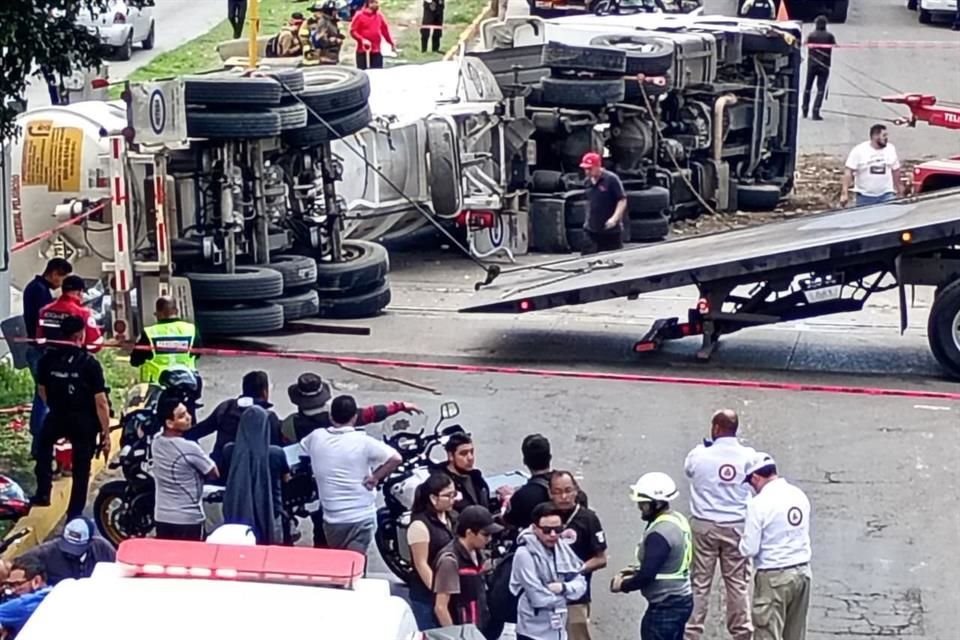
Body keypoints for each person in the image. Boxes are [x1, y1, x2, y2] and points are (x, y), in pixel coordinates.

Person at [683, 410, 756, 640]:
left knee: (700, 583)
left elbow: (689, 471)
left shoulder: (699, 455)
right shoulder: (749, 457)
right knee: (737, 584)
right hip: (736, 526)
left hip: (704, 525)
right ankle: (741, 633)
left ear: (715, 428)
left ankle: (692, 632)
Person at [301, 395, 403, 553]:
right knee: (356, 563)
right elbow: (396, 458)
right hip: (361, 516)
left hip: (332, 519)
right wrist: (375, 477)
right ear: (355, 417)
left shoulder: (315, 437)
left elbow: (302, 449)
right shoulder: (363, 442)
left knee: (340, 562)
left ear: (330, 416)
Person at [31, 316, 111, 518]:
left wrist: (56, 405)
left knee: (43, 448)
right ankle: (74, 512)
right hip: (84, 421)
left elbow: (42, 390)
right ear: (79, 335)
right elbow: (100, 401)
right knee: (82, 468)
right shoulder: (89, 363)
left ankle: (43, 493)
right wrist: (106, 433)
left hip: (58, 415)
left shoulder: (47, 360)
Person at [610, 472, 693, 640]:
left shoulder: (659, 533)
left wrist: (623, 585)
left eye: (644, 503)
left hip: (665, 604)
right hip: (680, 599)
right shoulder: (676, 519)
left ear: (656, 503)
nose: (640, 507)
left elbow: (647, 575)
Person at [739, 453, 812, 640]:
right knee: (795, 634)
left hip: (774, 577)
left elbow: (749, 549)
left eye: (751, 483)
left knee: (768, 633)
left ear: (755, 477)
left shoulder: (758, 504)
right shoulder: (798, 495)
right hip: (802, 573)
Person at [510, 502, 588, 640]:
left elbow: (581, 582)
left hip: (559, 631)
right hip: (533, 632)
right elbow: (537, 597)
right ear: (535, 528)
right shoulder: (524, 554)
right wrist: (567, 597)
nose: (553, 534)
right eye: (546, 530)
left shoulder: (563, 548)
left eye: (557, 529)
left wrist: (563, 587)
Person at [22, 258, 72, 458]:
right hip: (40, 350)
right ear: (54, 273)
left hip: (38, 349)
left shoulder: (35, 288)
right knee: (45, 397)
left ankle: (41, 444)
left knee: (42, 396)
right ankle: (42, 442)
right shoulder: (39, 291)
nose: (61, 284)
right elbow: (47, 322)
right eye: (61, 278)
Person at [550, 471, 607, 640]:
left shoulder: (588, 519)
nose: (564, 496)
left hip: (576, 598)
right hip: (547, 598)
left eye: (568, 490)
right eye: (558, 492)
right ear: (550, 493)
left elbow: (601, 558)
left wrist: (577, 570)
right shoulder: (545, 517)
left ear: (576, 491)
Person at [152, 398, 219, 541]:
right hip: (188, 519)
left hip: (162, 516)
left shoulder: (156, 442)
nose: (188, 417)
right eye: (181, 416)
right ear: (169, 423)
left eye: (187, 412)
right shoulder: (189, 448)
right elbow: (214, 472)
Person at [222, 405, 290, 545]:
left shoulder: (229, 451)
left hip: (236, 512)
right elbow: (286, 478)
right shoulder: (276, 453)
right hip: (270, 512)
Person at [188, 370, 284, 470]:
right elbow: (275, 451)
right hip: (252, 473)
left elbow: (199, 430)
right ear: (265, 392)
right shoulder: (268, 418)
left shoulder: (226, 408)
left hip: (221, 469)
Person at [433, 505, 503, 630]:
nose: (489, 539)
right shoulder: (450, 561)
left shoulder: (477, 553)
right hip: (464, 629)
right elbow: (441, 607)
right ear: (469, 533)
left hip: (480, 626)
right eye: (485, 534)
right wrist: (456, 636)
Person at [407, 472, 457, 629]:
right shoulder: (419, 526)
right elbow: (421, 564)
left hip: (449, 591)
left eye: (454, 494)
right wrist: (438, 590)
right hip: (426, 596)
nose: (452, 499)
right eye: (448, 496)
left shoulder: (451, 517)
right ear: (433, 498)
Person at [20, 517, 115, 585]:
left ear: (90, 542)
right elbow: (19, 565)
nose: (72, 554)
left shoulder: (102, 549)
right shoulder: (44, 553)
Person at [129, 296, 199, 384]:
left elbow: (135, 361)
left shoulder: (150, 332)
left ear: (158, 313)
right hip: (187, 383)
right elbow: (197, 353)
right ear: (176, 311)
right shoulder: (191, 329)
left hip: (158, 385)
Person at [840, 124, 903, 208]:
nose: (886, 138)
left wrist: (900, 190)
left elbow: (896, 170)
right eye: (884, 135)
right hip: (865, 196)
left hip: (886, 194)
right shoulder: (859, 151)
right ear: (875, 136)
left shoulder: (890, 149)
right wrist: (844, 193)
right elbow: (848, 171)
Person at [35, 275, 103, 352]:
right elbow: (94, 345)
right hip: (74, 360)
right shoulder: (83, 313)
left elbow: (39, 339)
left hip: (49, 359)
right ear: (80, 292)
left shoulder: (44, 311)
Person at [580, 152, 627, 255]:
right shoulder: (587, 182)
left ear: (598, 166)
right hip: (591, 230)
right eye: (585, 169)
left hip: (610, 231)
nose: (587, 172)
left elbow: (622, 200)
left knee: (611, 260)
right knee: (587, 259)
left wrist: (614, 218)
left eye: (590, 169)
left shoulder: (611, 179)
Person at [504, 434, 554, 529]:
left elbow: (507, 522)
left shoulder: (522, 496)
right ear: (550, 457)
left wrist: (507, 499)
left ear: (525, 461)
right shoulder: (566, 486)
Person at [433, 432, 490, 513]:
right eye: (464, 453)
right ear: (451, 456)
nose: (470, 458)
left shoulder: (476, 478)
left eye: (471, 452)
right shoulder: (441, 484)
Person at [0, 557, 51, 637]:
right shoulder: (55, 593)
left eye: (18, 584)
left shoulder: (26, 604)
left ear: (36, 581)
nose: (14, 590)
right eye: (11, 585)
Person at [802, 15, 835, 121]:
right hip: (824, 65)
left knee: (808, 88)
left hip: (812, 65)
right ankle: (816, 111)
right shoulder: (829, 36)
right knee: (820, 89)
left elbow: (804, 43)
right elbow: (835, 45)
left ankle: (805, 110)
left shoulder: (811, 35)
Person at [350, 0, 395, 70]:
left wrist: (391, 43)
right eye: (373, 2)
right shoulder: (359, 15)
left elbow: (385, 31)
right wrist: (362, 40)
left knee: (377, 72)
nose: (376, 4)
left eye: (377, 2)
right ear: (368, 4)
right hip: (363, 51)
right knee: (364, 73)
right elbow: (353, 31)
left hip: (376, 50)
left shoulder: (379, 16)